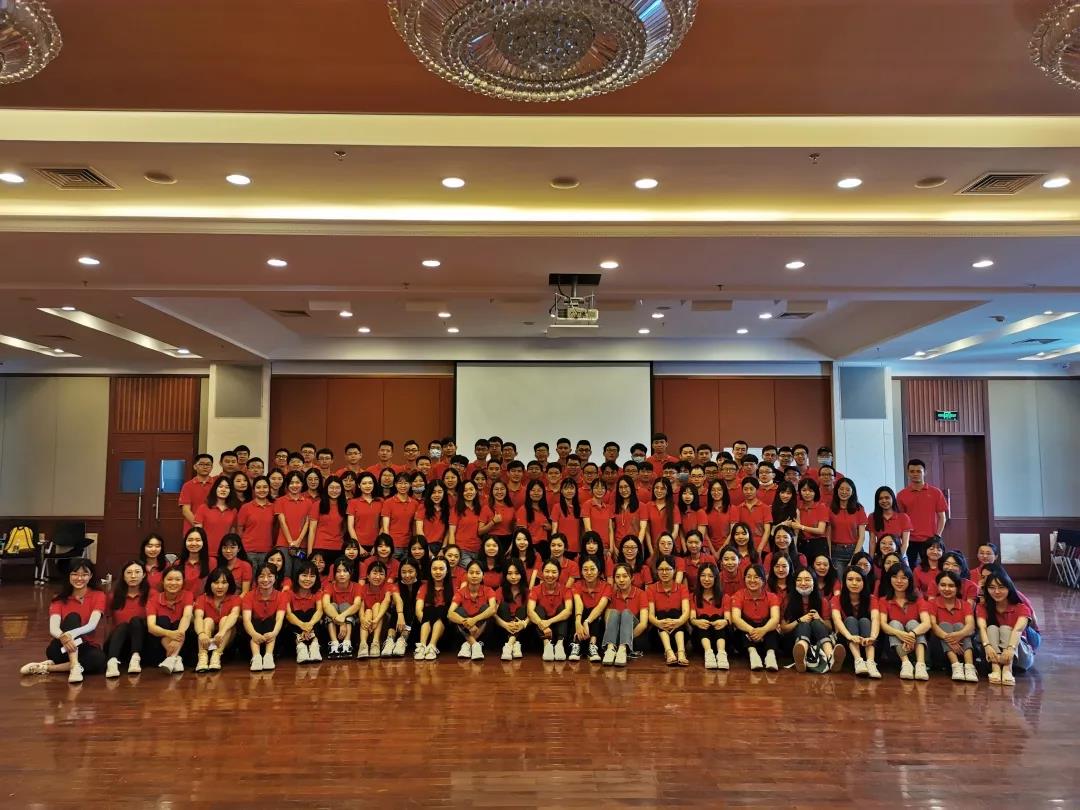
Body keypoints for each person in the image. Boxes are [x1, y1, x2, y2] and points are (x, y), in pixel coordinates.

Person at [20, 558, 107, 683]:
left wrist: (70, 635)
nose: (79, 578)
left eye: (84, 575)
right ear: (69, 576)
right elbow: (53, 628)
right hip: (61, 648)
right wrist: (63, 637)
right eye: (75, 574)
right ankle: (75, 666)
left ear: (91, 576)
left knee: (99, 660)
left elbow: (92, 625)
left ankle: (47, 667)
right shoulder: (58, 599)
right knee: (73, 617)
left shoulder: (98, 595)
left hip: (85, 647)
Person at [977, 567, 1038, 685]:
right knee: (991, 628)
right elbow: (982, 628)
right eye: (992, 588)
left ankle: (1007, 669)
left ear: (1009, 588)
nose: (996, 591)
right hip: (993, 656)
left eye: (1001, 587)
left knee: (1005, 628)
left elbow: (1018, 630)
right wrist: (987, 646)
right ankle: (995, 668)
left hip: (1018, 656)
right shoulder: (983, 607)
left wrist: (1010, 649)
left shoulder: (1021, 607)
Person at [781, 566, 844, 674]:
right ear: (795, 583)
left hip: (817, 641)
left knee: (816, 623)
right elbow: (783, 629)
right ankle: (801, 656)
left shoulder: (822, 601)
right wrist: (799, 620)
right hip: (793, 642)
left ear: (814, 582)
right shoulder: (788, 600)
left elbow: (830, 628)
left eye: (807, 580)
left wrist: (820, 619)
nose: (803, 583)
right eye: (799, 580)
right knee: (804, 624)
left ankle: (831, 656)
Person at [878, 562, 931, 680]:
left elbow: (927, 623)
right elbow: (883, 625)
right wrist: (900, 634)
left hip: (916, 644)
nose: (899, 581)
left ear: (909, 580)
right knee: (894, 624)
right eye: (895, 577)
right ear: (889, 579)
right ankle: (906, 664)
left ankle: (920, 664)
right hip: (896, 649)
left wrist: (912, 634)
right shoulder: (884, 600)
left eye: (903, 578)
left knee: (913, 623)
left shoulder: (918, 599)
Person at [927, 570, 978, 682]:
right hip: (941, 649)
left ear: (957, 588)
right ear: (938, 586)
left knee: (960, 626)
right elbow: (933, 626)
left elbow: (971, 625)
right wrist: (950, 640)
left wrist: (958, 635)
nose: (946, 589)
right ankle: (956, 666)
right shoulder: (932, 603)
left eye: (951, 586)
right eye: (943, 585)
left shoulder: (965, 605)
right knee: (944, 624)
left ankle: (969, 667)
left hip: (964, 647)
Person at [831, 567, 881, 678]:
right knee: (850, 620)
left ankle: (871, 662)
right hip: (847, 641)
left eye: (858, 580)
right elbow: (837, 619)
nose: (854, 583)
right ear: (844, 581)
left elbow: (875, 619)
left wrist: (872, 637)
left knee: (864, 620)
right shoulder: (837, 598)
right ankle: (858, 661)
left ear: (864, 582)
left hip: (867, 642)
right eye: (850, 579)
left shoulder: (871, 599)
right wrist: (850, 636)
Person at [897, 459, 948, 567]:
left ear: (925, 472)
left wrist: (937, 536)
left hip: (930, 539)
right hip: (909, 540)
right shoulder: (902, 495)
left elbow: (942, 517)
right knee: (908, 569)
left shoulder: (936, 493)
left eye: (918, 471)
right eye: (912, 471)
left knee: (932, 568)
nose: (915, 474)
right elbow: (900, 519)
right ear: (908, 473)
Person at [730, 564, 781, 671]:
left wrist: (763, 630)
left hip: (766, 637)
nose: (752, 580)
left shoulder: (772, 597)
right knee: (743, 625)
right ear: (744, 579)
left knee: (772, 627)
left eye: (756, 577)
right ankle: (753, 655)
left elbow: (775, 619)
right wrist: (753, 631)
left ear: (763, 580)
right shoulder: (738, 595)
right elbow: (735, 618)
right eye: (749, 577)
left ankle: (770, 656)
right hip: (746, 638)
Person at [104, 560, 149, 677]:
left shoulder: (151, 594)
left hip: (141, 644)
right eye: (129, 572)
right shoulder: (113, 596)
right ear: (123, 576)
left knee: (135, 621)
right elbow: (107, 623)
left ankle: (135, 658)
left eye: (137, 572)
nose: (133, 576)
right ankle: (112, 662)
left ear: (144, 575)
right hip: (119, 644)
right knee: (123, 626)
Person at [146, 567, 195, 674]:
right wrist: (170, 634)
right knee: (163, 620)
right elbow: (151, 627)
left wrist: (176, 638)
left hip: (182, 644)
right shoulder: (154, 599)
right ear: (163, 581)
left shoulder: (188, 595)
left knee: (179, 623)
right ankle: (175, 657)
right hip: (160, 647)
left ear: (183, 582)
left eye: (178, 579)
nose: (173, 583)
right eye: (169, 579)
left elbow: (187, 616)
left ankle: (172, 659)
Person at [193, 568, 241, 672]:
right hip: (206, 640)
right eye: (216, 582)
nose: (220, 586)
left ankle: (216, 656)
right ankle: (202, 657)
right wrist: (201, 633)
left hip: (225, 639)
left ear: (230, 584)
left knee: (225, 620)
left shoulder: (235, 599)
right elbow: (198, 617)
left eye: (224, 582)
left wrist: (221, 632)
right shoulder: (202, 598)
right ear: (210, 584)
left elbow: (234, 615)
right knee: (207, 621)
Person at [242, 563, 287, 671]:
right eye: (261, 576)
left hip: (273, 635)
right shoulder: (249, 595)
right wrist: (254, 634)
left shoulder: (281, 596)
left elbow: (279, 619)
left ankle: (268, 656)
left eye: (270, 576)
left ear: (275, 578)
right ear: (257, 579)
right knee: (256, 622)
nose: (266, 580)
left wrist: (274, 633)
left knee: (270, 622)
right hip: (253, 635)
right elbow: (246, 620)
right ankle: (256, 657)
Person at [601, 563, 649, 666]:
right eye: (617, 577)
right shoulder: (612, 594)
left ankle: (622, 649)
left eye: (625, 576)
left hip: (635, 637)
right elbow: (608, 621)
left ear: (631, 578)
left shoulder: (641, 594)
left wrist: (625, 637)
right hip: (615, 638)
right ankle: (610, 649)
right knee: (613, 612)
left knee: (626, 613)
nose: (621, 580)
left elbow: (643, 624)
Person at [449, 560, 498, 661]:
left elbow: (493, 609)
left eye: (477, 573)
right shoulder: (460, 592)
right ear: (467, 575)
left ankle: (468, 644)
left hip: (483, 629)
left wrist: (474, 620)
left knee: (486, 608)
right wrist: (468, 623)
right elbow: (450, 614)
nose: (474, 576)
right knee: (458, 611)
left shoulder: (489, 590)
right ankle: (475, 645)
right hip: (465, 629)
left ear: (483, 575)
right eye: (471, 572)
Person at [647, 556, 691, 666]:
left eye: (668, 569)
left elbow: (686, 612)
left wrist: (678, 622)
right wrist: (659, 623)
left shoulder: (682, 588)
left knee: (675, 612)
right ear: (657, 571)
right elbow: (650, 615)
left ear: (674, 570)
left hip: (680, 633)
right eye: (661, 569)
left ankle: (681, 652)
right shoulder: (651, 589)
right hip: (659, 636)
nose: (664, 572)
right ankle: (669, 651)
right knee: (661, 613)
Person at [529, 559, 574, 661]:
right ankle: (547, 645)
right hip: (542, 629)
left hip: (558, 625)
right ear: (542, 572)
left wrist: (549, 622)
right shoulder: (535, 589)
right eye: (547, 571)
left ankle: (559, 645)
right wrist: (543, 625)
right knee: (538, 609)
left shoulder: (566, 590)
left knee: (563, 608)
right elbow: (530, 612)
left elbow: (568, 611)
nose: (550, 575)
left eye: (554, 572)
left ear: (559, 573)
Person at [689, 562, 729, 670]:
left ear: (716, 578)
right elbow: (692, 618)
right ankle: (708, 653)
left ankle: (721, 654)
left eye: (710, 576)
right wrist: (697, 622)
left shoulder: (724, 597)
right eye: (703, 575)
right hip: (700, 640)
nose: (706, 579)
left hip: (721, 638)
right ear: (699, 577)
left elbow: (728, 619)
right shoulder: (693, 596)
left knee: (717, 618)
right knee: (704, 618)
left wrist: (723, 622)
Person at [571, 557, 610, 663]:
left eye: (592, 569)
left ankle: (593, 645)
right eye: (585, 569)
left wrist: (587, 621)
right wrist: (578, 622)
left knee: (594, 611)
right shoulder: (577, 585)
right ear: (581, 572)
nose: (589, 572)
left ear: (599, 571)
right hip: (581, 625)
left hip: (598, 625)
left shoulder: (606, 586)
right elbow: (578, 603)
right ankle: (577, 644)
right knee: (582, 610)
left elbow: (600, 607)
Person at [322, 558, 363, 658]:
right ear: (334, 573)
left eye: (345, 571)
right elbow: (325, 605)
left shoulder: (357, 586)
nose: (341, 574)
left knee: (345, 605)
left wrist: (343, 617)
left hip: (351, 619)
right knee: (332, 605)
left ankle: (347, 643)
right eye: (338, 571)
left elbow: (357, 605)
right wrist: (341, 622)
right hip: (334, 620)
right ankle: (334, 643)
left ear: (351, 572)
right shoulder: (329, 586)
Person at [285, 561, 324, 664]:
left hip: (312, 629)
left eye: (312, 576)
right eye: (304, 575)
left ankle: (314, 644)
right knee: (298, 613)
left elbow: (320, 611)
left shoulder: (317, 592)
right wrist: (302, 625)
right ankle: (300, 645)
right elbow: (288, 615)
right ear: (297, 576)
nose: (308, 579)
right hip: (294, 631)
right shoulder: (288, 593)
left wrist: (309, 625)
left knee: (312, 612)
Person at [416, 557, 452, 660]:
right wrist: (428, 623)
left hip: (446, 628)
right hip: (426, 626)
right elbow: (418, 611)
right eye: (434, 569)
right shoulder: (424, 587)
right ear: (430, 570)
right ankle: (422, 646)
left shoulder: (452, 587)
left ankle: (432, 646)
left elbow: (452, 612)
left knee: (441, 609)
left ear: (447, 570)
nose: (438, 572)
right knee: (429, 610)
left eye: (441, 569)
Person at [194, 475, 239, 557]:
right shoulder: (203, 508)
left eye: (227, 487)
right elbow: (197, 533)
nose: (223, 489)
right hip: (205, 552)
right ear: (215, 489)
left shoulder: (233, 510)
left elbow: (232, 535)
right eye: (220, 486)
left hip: (225, 553)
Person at [355, 561, 394, 659]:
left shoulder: (388, 586)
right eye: (375, 573)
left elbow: (387, 601)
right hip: (366, 621)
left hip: (383, 619)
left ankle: (375, 642)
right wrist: (362, 618)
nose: (378, 577)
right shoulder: (362, 588)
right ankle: (363, 644)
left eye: (381, 574)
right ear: (368, 576)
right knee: (368, 611)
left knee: (377, 605)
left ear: (385, 577)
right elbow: (360, 606)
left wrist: (376, 619)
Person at [828, 477, 866, 572]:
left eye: (848, 489)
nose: (844, 492)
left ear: (852, 492)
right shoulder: (830, 508)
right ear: (837, 490)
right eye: (841, 489)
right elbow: (828, 535)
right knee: (840, 579)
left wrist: (854, 557)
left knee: (856, 579)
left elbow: (862, 537)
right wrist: (829, 556)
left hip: (855, 549)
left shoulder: (859, 509)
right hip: (836, 552)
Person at [238, 476, 275, 571]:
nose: (262, 490)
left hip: (267, 551)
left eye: (265, 487)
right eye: (258, 487)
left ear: (269, 489)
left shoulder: (274, 507)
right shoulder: (245, 507)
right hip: (248, 551)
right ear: (254, 489)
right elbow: (239, 529)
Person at [309, 475, 347, 558]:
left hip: (339, 548)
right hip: (320, 547)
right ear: (326, 489)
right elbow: (312, 529)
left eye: (337, 488)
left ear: (341, 489)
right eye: (331, 488)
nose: (334, 490)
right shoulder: (318, 505)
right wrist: (309, 552)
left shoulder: (345, 506)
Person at [870, 486, 912, 559]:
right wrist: (870, 560)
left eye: (887, 498)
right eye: (880, 498)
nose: (884, 501)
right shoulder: (872, 517)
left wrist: (897, 559)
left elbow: (905, 543)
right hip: (880, 557)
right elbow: (872, 542)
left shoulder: (903, 517)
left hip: (899, 556)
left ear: (893, 499)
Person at [179, 454, 215, 534]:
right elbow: (186, 510)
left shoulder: (217, 485)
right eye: (201, 464)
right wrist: (198, 526)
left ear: (212, 467)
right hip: (192, 528)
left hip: (213, 528)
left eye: (208, 464)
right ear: (195, 467)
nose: (205, 467)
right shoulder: (187, 486)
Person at [347, 472, 381, 552]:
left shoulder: (381, 501)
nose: (368, 486)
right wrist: (358, 546)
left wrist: (377, 545)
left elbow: (383, 526)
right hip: (358, 544)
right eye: (364, 483)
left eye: (370, 483)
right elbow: (350, 526)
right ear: (359, 485)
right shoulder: (353, 502)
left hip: (376, 544)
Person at [175, 527, 211, 595]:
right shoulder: (177, 564)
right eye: (190, 540)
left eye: (198, 540)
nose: (194, 543)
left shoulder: (212, 562)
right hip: (183, 600)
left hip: (203, 600)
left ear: (204, 542)